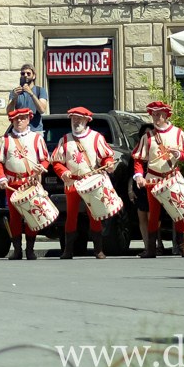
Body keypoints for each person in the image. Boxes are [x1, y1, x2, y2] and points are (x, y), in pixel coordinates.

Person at [49, 108, 115, 262]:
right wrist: (63, 171)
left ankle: (98, 250)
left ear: (86, 121)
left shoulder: (96, 137)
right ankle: (68, 250)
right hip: (72, 182)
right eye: (73, 119)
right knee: (71, 216)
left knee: (95, 214)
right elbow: (57, 161)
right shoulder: (65, 139)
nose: (76, 122)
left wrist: (109, 163)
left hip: (91, 181)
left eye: (79, 119)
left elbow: (106, 157)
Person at [133, 100, 184, 259]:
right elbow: (138, 159)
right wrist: (139, 175)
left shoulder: (178, 133)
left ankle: (183, 246)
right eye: (154, 115)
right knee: (153, 214)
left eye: (159, 114)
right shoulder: (147, 137)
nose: (156, 117)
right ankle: (152, 249)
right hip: (153, 180)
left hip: (172, 178)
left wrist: (177, 154)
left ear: (167, 115)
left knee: (178, 211)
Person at [0, 102, 50, 260]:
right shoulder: (6, 140)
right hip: (12, 184)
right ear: (12, 121)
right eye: (16, 119)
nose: (19, 121)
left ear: (29, 119)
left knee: (33, 215)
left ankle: (30, 249)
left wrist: (41, 168)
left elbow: (45, 159)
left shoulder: (36, 138)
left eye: (23, 118)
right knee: (15, 217)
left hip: (31, 183)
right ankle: (17, 249)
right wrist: (2, 178)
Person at [8, 66, 49, 132]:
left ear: (34, 76)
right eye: (23, 74)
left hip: (35, 130)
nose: (25, 75)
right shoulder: (14, 92)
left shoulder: (40, 90)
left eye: (28, 73)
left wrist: (31, 93)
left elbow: (42, 110)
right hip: (19, 131)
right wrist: (15, 97)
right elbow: (9, 113)